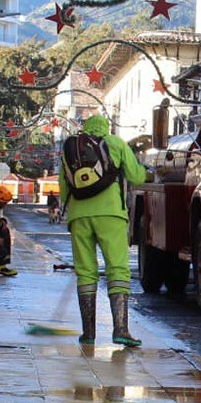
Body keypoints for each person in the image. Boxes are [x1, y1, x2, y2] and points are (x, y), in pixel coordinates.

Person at [60, 115, 146, 347]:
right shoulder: (115, 143)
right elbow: (137, 176)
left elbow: (63, 186)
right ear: (105, 127)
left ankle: (88, 333)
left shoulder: (71, 148)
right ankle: (121, 329)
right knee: (117, 268)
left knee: (85, 272)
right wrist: (144, 171)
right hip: (111, 216)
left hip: (78, 217)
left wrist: (66, 213)